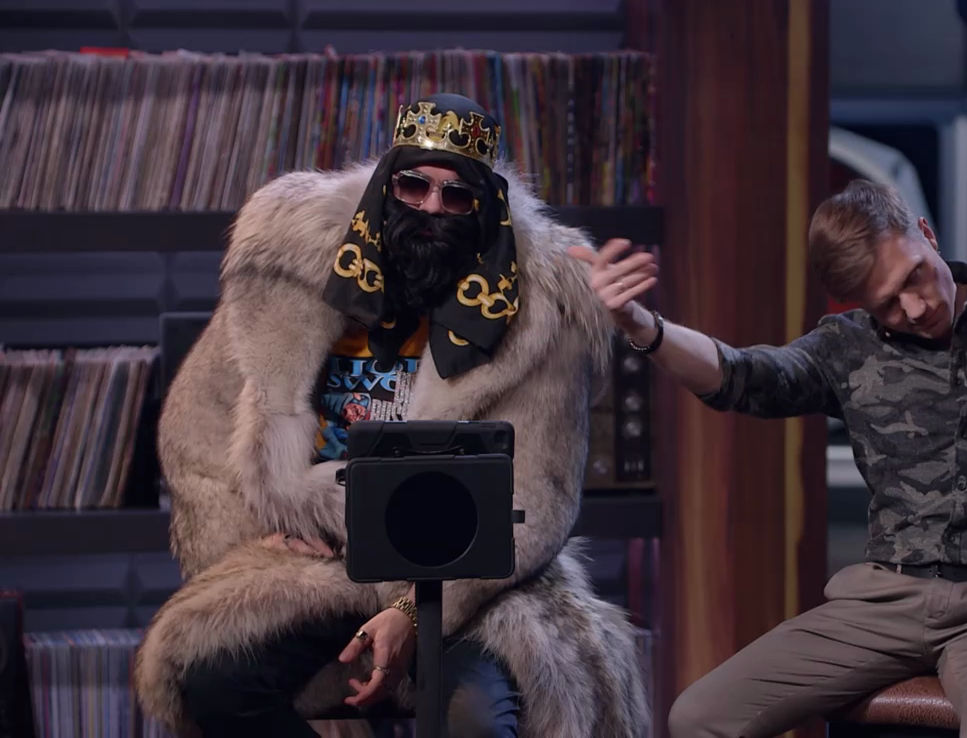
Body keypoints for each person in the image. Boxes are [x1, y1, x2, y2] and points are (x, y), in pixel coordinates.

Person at [571, 178, 967, 738]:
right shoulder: (847, 348)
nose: (915, 309)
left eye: (916, 276)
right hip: (882, 602)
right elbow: (741, 376)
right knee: (699, 717)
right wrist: (641, 325)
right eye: (887, 303)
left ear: (926, 233)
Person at [134, 93, 650, 738]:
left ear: (483, 207)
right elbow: (199, 433)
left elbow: (538, 503)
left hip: (466, 572)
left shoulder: (540, 310)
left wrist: (412, 609)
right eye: (414, 186)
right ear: (387, 186)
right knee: (215, 683)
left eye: (455, 196)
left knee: (478, 722)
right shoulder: (291, 268)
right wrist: (254, 532)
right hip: (323, 564)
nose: (431, 207)